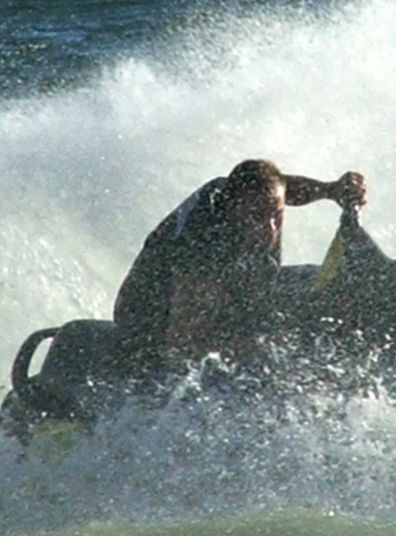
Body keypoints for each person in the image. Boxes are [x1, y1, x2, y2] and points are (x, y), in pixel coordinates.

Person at [112, 159, 368, 377]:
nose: (269, 228)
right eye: (257, 216)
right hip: (151, 322)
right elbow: (182, 345)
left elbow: (281, 186)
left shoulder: (244, 191)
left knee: (313, 280)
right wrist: (257, 348)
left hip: (222, 300)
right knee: (267, 346)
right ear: (231, 209)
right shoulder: (203, 249)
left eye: (276, 215)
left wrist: (331, 190)